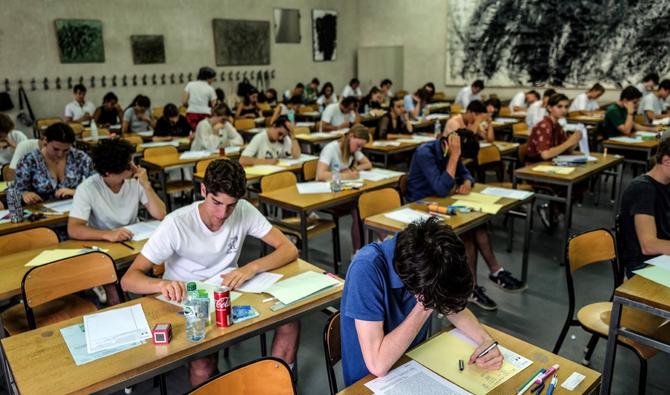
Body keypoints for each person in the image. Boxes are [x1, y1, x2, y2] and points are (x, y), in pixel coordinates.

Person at [120, 159, 301, 386]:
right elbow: (129, 280)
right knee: (203, 363)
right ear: (203, 190)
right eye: (216, 202)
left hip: (228, 292)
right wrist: (161, 285)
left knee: (290, 320)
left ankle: (280, 386)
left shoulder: (243, 210)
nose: (222, 213)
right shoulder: (176, 223)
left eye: (231, 205)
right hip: (186, 300)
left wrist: (251, 267)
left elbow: (289, 248)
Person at [340, 217, 503, 386]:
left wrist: (486, 340)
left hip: (412, 365)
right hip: (369, 383)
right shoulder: (366, 269)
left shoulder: (426, 256)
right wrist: (424, 305)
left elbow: (452, 307)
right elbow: (378, 364)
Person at [406, 129, 525, 310]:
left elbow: (466, 174)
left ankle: (495, 272)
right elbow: (441, 188)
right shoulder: (425, 153)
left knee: (478, 225)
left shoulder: (451, 151)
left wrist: (467, 182)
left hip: (443, 202)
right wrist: (454, 157)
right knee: (468, 233)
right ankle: (472, 287)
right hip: (421, 206)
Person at [316, 125, 372, 251]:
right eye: (358, 145)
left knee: (365, 203)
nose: (359, 149)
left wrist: (355, 169)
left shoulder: (352, 150)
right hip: (326, 195)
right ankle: (358, 252)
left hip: (341, 193)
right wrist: (346, 176)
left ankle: (375, 243)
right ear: (351, 137)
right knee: (357, 208)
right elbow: (320, 175)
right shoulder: (331, 148)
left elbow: (368, 164)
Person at [619, 139, 670, 277]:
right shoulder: (642, 189)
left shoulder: (666, 183)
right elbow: (649, 246)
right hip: (645, 268)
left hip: (663, 258)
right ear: (667, 161)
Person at [15, 122, 93, 204]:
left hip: (76, 207)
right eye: (56, 149)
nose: (60, 154)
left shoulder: (79, 157)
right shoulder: (29, 161)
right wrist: (25, 194)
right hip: (42, 211)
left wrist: (76, 192)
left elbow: (98, 183)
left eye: (66, 150)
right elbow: (16, 191)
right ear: (45, 141)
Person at [527, 93, 582, 162]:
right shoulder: (544, 126)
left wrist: (575, 141)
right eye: (559, 106)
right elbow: (545, 155)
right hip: (536, 165)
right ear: (549, 108)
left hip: (552, 161)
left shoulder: (557, 125)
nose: (564, 110)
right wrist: (569, 142)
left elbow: (565, 149)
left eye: (566, 107)